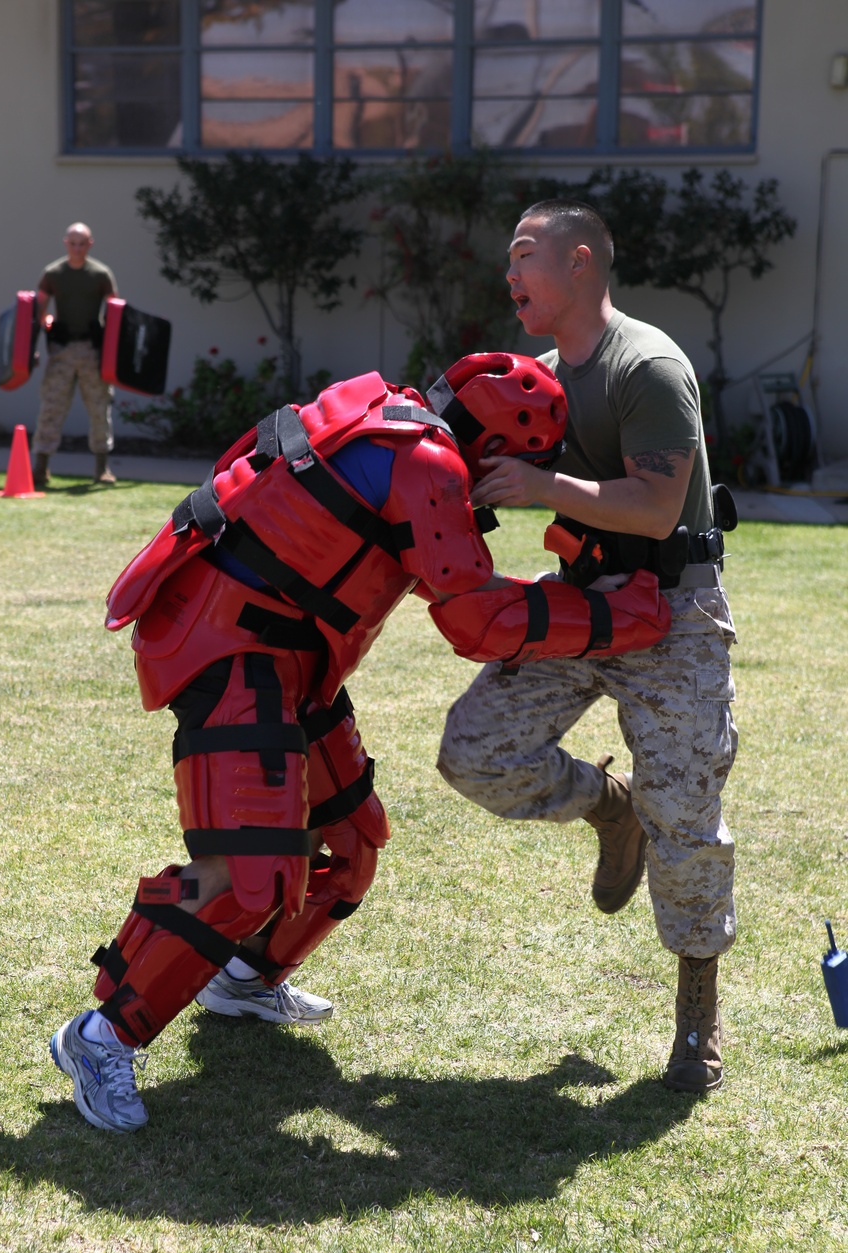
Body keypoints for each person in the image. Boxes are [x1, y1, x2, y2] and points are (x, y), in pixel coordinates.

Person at [48, 357, 671, 1132]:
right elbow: (480, 621)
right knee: (250, 875)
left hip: (288, 656)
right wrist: (627, 617)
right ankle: (102, 1035)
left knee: (351, 845)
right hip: (235, 652)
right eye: (529, 464)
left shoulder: (390, 418)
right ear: (501, 444)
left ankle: (242, 979)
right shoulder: (427, 461)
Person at [437, 200, 738, 1095]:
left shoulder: (648, 366)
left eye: (525, 253)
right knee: (475, 752)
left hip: (674, 613)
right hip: (586, 603)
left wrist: (540, 484)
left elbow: (652, 506)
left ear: (580, 263)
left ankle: (696, 1020)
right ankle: (609, 808)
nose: (511, 272)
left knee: (684, 815)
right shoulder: (532, 378)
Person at [31, 222, 117, 489]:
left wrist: (115, 356)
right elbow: (37, 310)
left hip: (93, 350)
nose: (77, 248)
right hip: (62, 350)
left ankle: (102, 469)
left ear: (90, 244)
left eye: (82, 243)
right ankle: (41, 468)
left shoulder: (100, 274)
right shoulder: (53, 273)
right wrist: (33, 343)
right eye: (73, 243)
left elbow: (116, 313)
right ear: (65, 243)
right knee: (51, 406)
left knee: (99, 408)